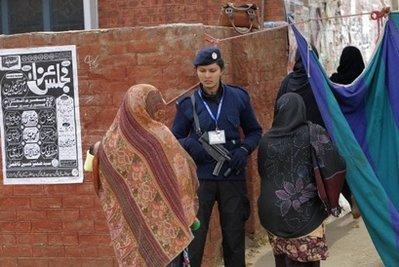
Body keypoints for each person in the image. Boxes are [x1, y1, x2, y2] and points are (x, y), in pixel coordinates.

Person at [85, 84, 199, 267]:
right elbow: (182, 176)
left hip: (134, 230)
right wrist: (188, 213)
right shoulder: (160, 137)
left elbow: (100, 183)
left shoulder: (107, 144)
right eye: (155, 105)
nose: (159, 109)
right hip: (168, 230)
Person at [172, 47, 262, 267]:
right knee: (195, 238)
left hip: (232, 176)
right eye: (202, 71)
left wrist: (244, 150)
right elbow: (173, 139)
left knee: (234, 237)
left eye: (212, 70)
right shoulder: (188, 104)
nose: (207, 76)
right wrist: (191, 144)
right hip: (201, 180)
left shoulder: (238, 97)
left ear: (221, 70)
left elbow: (255, 131)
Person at [257, 93, 345, 267]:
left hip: (271, 214)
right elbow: (334, 163)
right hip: (304, 213)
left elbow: (263, 173)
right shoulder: (313, 132)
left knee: (282, 261)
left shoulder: (266, 140)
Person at [330, 46, 365, 218]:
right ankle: (363, 199)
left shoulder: (334, 81)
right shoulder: (364, 80)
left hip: (341, 133)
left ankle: (350, 198)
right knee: (362, 166)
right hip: (361, 131)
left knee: (343, 167)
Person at [275, 47, 324, 127]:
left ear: (297, 58)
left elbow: (278, 112)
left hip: (291, 134)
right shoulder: (319, 81)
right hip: (317, 136)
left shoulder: (287, 81)